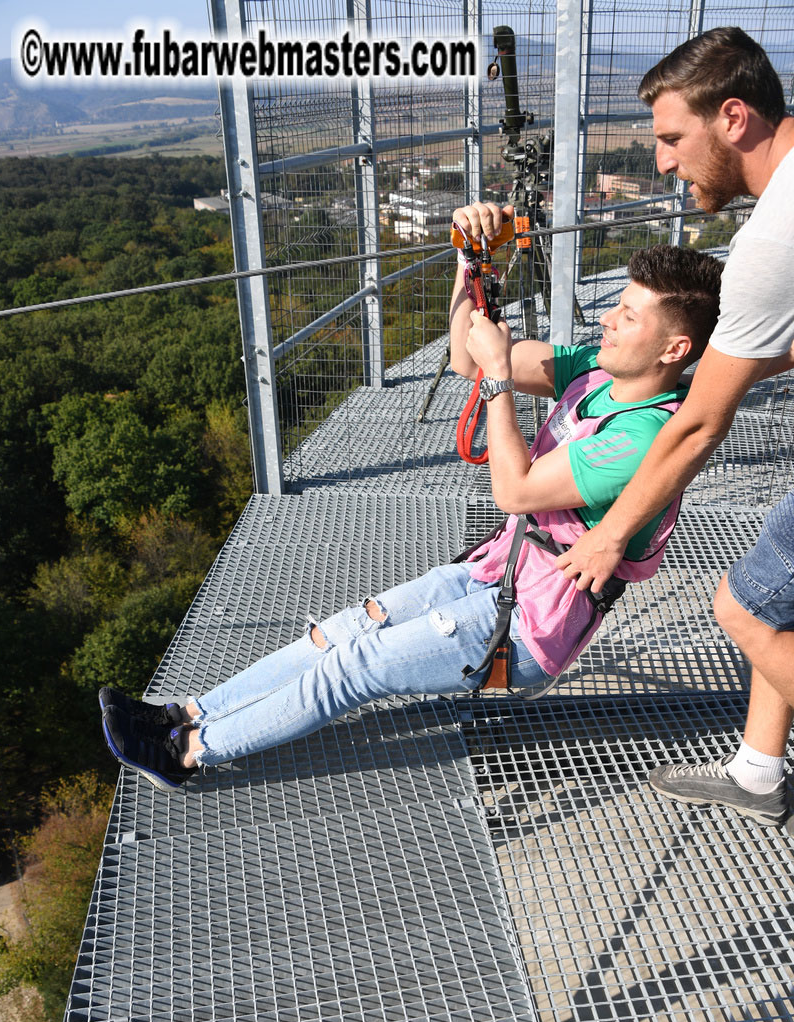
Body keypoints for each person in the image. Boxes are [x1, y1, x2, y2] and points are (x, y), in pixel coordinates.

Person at [99, 236, 721, 792]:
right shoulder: (594, 372)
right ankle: (188, 712)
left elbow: (517, 491)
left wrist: (502, 378)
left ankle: (187, 754)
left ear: (675, 347)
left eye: (629, 315)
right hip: (497, 573)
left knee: (354, 666)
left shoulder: (642, 435)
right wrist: (468, 263)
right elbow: (466, 358)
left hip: (528, 627)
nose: (609, 320)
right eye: (617, 305)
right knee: (341, 631)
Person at [551, 27, 794, 832]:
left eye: (670, 138)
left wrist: (612, 534)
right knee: (781, 603)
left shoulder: (770, 238)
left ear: (733, 117)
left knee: (745, 609)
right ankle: (760, 774)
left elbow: (695, 428)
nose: (661, 162)